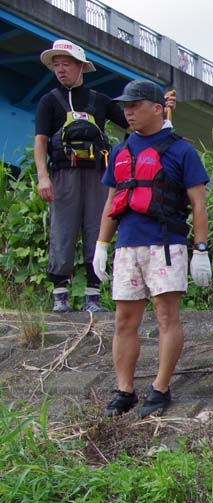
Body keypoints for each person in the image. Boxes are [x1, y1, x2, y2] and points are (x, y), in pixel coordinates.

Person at [93, 80, 209, 419]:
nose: (127, 111)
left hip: (165, 242)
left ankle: (160, 388)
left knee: (165, 316)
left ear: (158, 108)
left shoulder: (181, 150)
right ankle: (124, 390)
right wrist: (102, 244)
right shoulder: (119, 150)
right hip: (128, 244)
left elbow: (198, 204)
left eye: (135, 104)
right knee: (123, 321)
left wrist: (200, 249)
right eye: (126, 105)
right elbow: (112, 200)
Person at [33, 39, 129, 313]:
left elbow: (131, 122)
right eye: (56, 65)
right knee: (62, 230)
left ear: (80, 67)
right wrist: (43, 177)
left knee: (95, 230)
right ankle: (60, 294)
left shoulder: (100, 101)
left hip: (98, 175)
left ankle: (92, 295)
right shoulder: (48, 101)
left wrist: (161, 108)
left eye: (66, 64)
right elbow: (40, 141)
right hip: (64, 175)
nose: (60, 70)